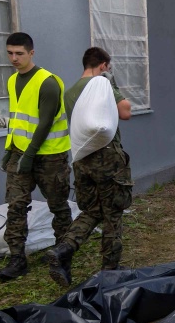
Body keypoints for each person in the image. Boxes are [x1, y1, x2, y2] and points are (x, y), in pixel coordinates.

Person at [46, 47, 133, 287]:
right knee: (113, 213)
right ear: (103, 65)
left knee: (93, 210)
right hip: (107, 159)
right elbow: (126, 112)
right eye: (109, 66)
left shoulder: (71, 91)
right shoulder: (102, 86)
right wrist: (113, 85)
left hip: (82, 159)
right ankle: (110, 270)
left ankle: (64, 249)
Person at [0, 32, 72, 281]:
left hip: (50, 156)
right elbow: (17, 119)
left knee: (58, 207)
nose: (14, 58)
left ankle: (62, 253)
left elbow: (45, 123)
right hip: (20, 153)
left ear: (31, 53)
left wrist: (29, 155)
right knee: (16, 206)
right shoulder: (12, 81)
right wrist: (10, 149)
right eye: (10, 53)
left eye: (19, 53)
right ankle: (17, 259)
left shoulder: (48, 82)